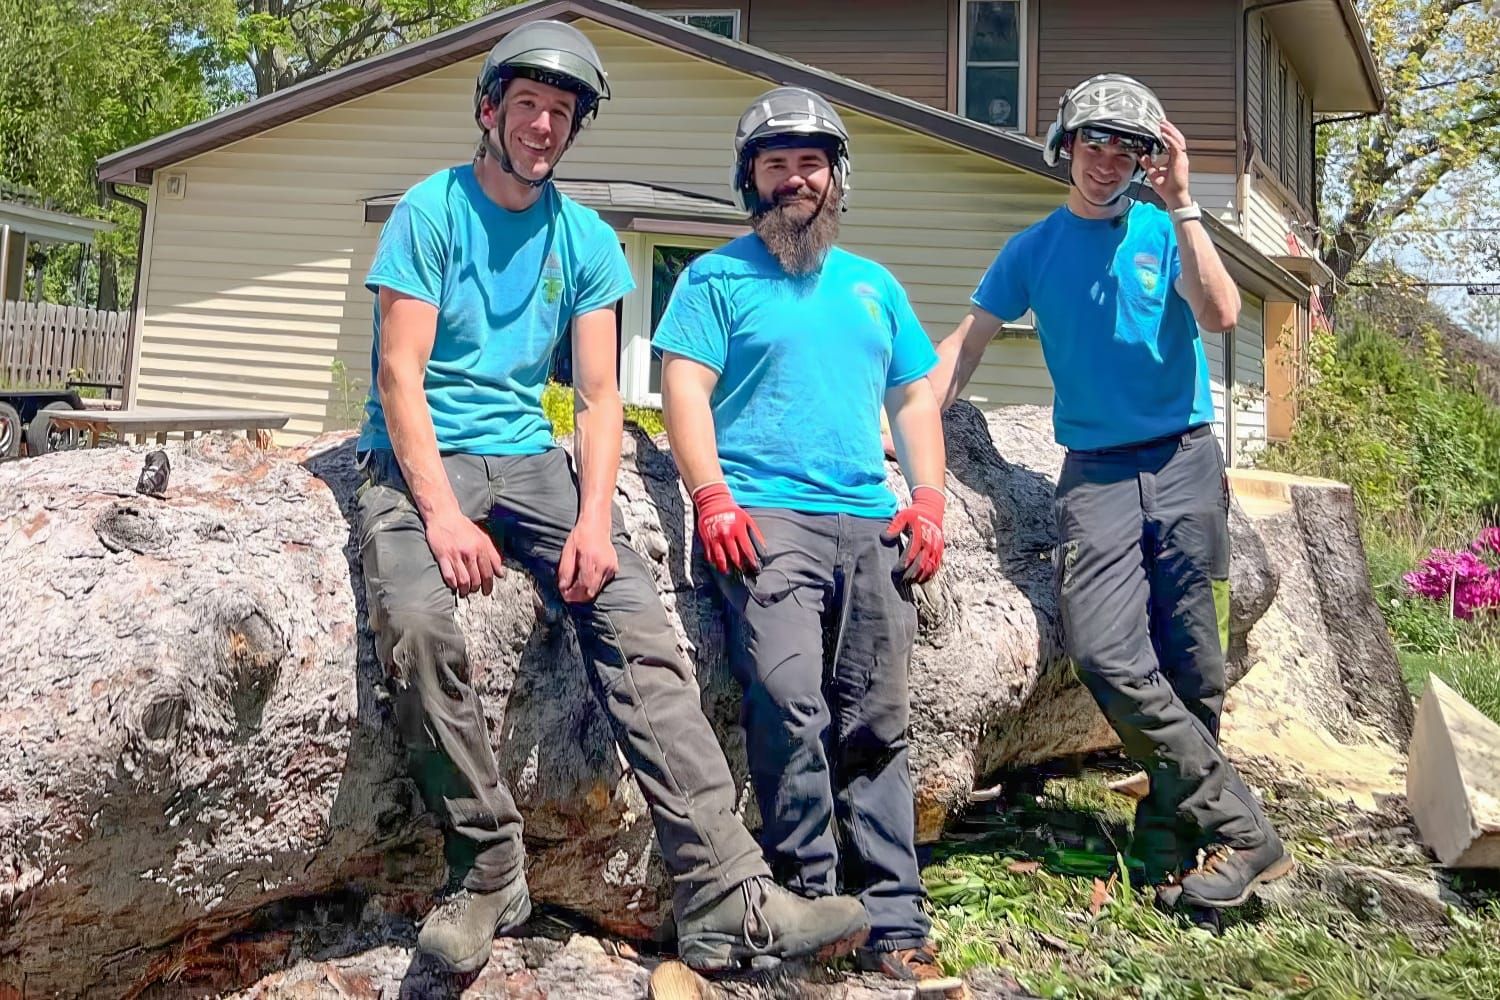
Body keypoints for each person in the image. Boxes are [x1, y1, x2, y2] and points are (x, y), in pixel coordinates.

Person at [354, 23, 868, 975]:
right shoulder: (431, 212)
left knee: (633, 616)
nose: (543, 126)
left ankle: (726, 895)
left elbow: (596, 398)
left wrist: (593, 521)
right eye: (527, 106)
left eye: (560, 113)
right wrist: (440, 515)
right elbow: (399, 376)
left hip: (532, 459)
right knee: (420, 624)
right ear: (490, 110)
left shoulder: (585, 239)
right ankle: (485, 864)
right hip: (421, 453)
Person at [927, 74, 1294, 912]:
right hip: (1094, 469)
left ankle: (1172, 843)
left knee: (1195, 663)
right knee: (1103, 650)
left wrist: (1188, 203)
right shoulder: (1033, 248)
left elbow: (1225, 310)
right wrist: (911, 420)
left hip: (1184, 460)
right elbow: (967, 341)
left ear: (1145, 159)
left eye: (1125, 147)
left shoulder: (1165, 232)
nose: (1105, 161)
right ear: (1066, 146)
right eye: (1092, 142)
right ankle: (1246, 829)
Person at [655, 87, 952, 984]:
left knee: (878, 721)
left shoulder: (874, 285)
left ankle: (896, 915)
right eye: (775, 165)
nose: (795, 180)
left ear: (837, 178)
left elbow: (912, 398)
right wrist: (710, 496)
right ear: (750, 181)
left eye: (810, 164)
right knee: (790, 705)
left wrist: (930, 498)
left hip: (869, 518)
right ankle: (811, 903)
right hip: (763, 520)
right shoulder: (715, 280)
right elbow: (684, 389)